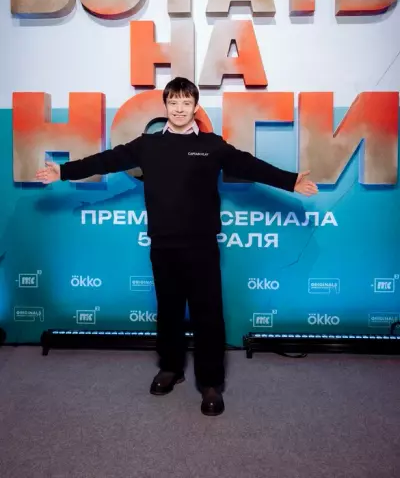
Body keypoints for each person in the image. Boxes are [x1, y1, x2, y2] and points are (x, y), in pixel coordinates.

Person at [36, 77, 318, 416]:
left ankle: (210, 383)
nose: (180, 109)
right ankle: (170, 368)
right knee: (169, 311)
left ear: (196, 107)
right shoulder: (148, 145)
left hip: (201, 245)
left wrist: (290, 180)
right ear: (166, 106)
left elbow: (249, 164)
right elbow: (107, 160)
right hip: (163, 244)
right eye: (174, 103)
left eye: (186, 103)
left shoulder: (212, 145)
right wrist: (63, 171)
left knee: (207, 315)